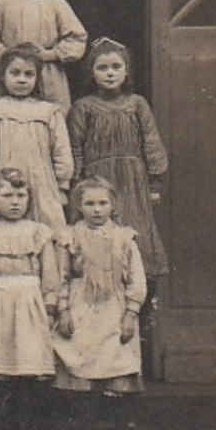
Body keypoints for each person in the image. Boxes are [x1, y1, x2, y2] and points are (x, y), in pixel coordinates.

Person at [66, 37, 169, 374]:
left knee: (134, 253)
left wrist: (154, 181)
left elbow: (152, 144)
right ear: (91, 72)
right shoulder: (83, 107)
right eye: (102, 67)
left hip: (133, 184)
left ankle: (139, 340)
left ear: (126, 71)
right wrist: (78, 187)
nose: (110, 74)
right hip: (98, 182)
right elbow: (76, 149)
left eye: (116, 67)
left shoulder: (137, 104)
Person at [51, 177, 148, 430]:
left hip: (114, 311)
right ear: (79, 207)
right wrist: (64, 311)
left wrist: (131, 313)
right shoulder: (70, 237)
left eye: (102, 203)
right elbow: (61, 278)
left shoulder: (124, 238)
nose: (96, 210)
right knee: (86, 378)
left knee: (118, 376)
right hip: (83, 310)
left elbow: (136, 279)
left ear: (113, 205)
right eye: (90, 204)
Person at [0, 168, 62, 430]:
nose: (14, 202)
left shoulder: (38, 232)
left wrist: (49, 308)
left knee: (26, 370)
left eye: (20, 195)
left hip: (29, 302)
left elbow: (50, 275)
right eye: (7, 195)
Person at [0, 45, 75, 228]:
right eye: (15, 73)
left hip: (43, 184)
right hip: (4, 182)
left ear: (37, 79)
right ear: (3, 76)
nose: (22, 79)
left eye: (29, 74)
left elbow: (62, 152)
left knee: (48, 229)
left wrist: (62, 186)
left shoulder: (49, 112)